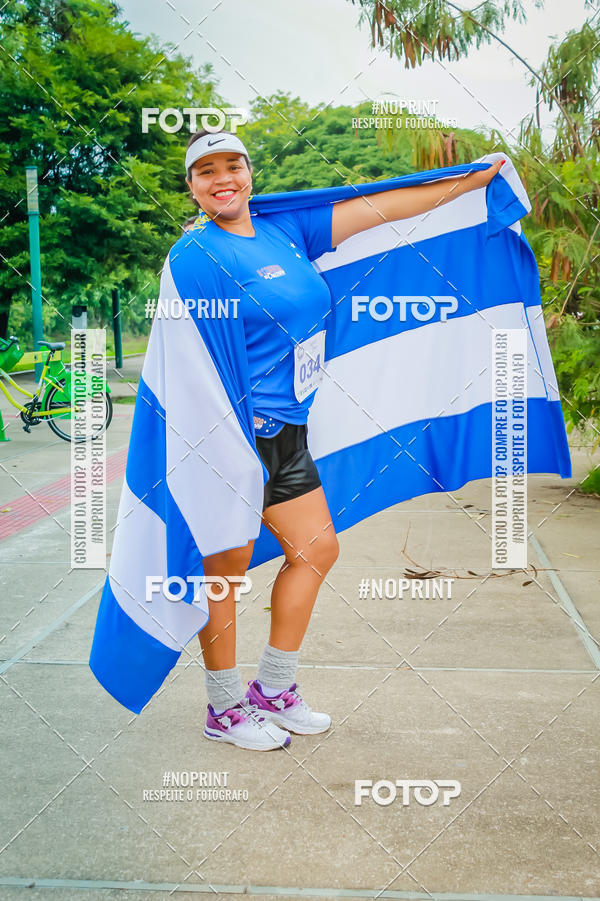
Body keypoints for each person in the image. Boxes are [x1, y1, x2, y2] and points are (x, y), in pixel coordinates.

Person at [181, 128, 504, 751]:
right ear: (191, 186)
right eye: (206, 171)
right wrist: (219, 440)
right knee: (223, 573)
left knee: (316, 550)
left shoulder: (284, 229)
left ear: (249, 172)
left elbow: (383, 208)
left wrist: (471, 181)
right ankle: (223, 707)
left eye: (232, 165)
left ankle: (273, 690)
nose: (222, 180)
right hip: (234, 440)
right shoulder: (196, 255)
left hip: (287, 433)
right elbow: (190, 358)